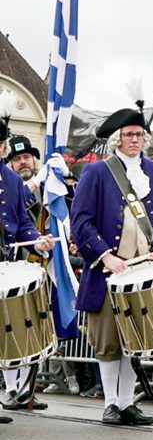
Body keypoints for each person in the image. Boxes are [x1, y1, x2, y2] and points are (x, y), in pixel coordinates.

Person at [69, 101, 153, 426]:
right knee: (110, 341)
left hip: (143, 269)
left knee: (136, 340)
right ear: (117, 139)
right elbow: (81, 220)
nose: (134, 140)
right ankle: (111, 403)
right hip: (108, 269)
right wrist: (105, 256)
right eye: (128, 134)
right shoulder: (97, 172)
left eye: (139, 134)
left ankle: (128, 403)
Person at [0, 128, 55, 420]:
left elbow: (23, 223)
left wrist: (37, 239)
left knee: (5, 330)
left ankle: (17, 392)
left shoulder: (11, 181)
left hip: (6, 265)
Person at [6, 134, 43, 225]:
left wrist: (67, 177)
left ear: (34, 160)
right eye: (17, 159)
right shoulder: (5, 188)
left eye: (26, 157)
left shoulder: (46, 184)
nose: (23, 161)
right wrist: (35, 183)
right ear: (11, 165)